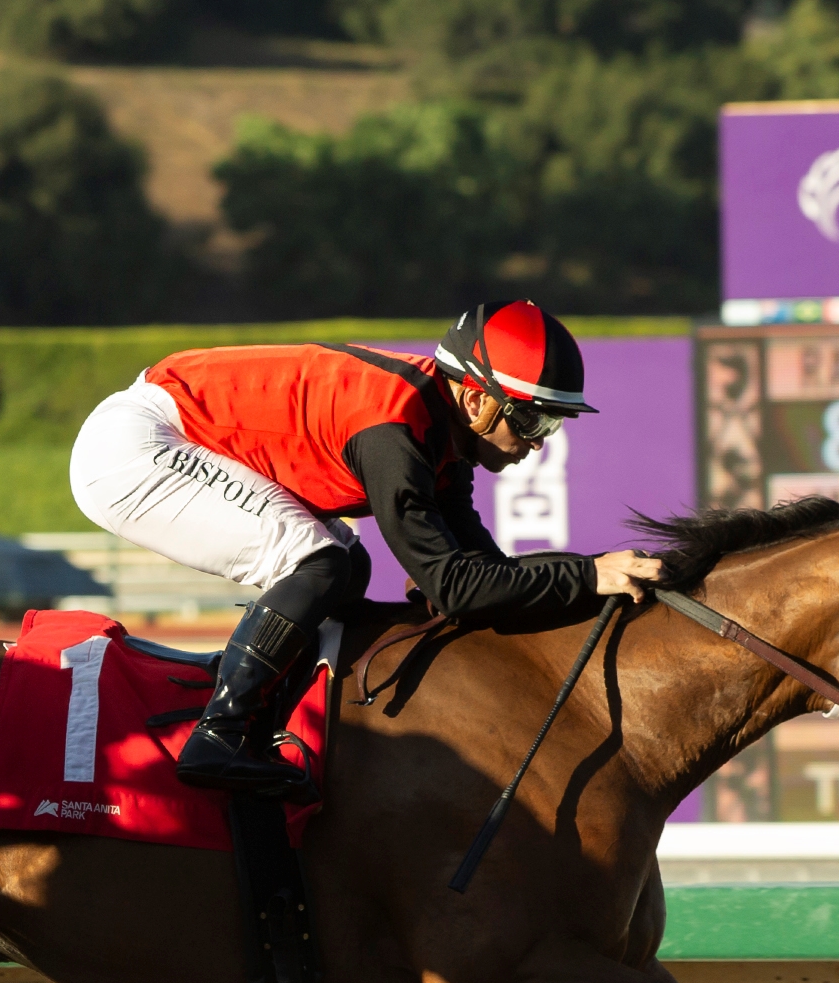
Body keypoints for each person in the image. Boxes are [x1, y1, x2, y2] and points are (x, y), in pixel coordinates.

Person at [69, 300, 664, 797]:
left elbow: (478, 575)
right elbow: (454, 587)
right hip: (136, 446)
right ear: (478, 401)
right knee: (321, 563)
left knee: (348, 566)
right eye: (532, 423)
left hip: (167, 425)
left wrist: (582, 576)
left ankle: (279, 717)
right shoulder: (397, 431)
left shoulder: (443, 427)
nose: (537, 445)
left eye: (552, 427)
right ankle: (219, 735)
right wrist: (588, 575)